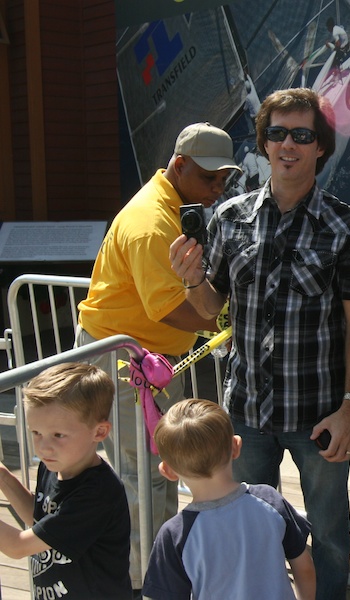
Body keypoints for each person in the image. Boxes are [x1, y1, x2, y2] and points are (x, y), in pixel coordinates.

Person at [170, 87, 350, 600]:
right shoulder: (229, 217)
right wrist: (192, 279)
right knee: (245, 525)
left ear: (320, 147)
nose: (288, 144)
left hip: (318, 413)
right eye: (277, 133)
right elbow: (209, 308)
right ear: (263, 143)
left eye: (302, 135)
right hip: (246, 412)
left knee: (327, 534)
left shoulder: (345, 225)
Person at [76, 121, 239, 594]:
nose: (217, 189)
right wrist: (231, 320)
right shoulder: (153, 222)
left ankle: (152, 568)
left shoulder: (171, 206)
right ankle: (142, 580)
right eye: (210, 178)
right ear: (179, 165)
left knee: (155, 469)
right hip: (125, 361)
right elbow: (170, 309)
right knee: (142, 475)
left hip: (143, 359)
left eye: (223, 179)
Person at [143, 398, 316, 600]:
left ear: (168, 471)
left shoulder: (175, 534)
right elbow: (304, 568)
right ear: (236, 446)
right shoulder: (270, 502)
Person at [0, 363, 130, 599]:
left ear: (99, 432)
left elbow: (17, 546)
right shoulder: (52, 465)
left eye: (58, 435)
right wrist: (4, 478)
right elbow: (41, 520)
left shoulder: (97, 494)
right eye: (36, 432)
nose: (43, 446)